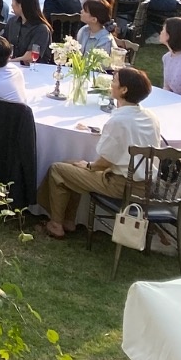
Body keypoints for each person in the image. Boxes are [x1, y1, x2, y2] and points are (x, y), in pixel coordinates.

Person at [39, 66, 159, 238]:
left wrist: (88, 165)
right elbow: (130, 138)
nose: (111, 84)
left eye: (114, 81)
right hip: (144, 184)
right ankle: (69, 221)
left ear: (124, 90)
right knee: (70, 165)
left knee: (58, 170)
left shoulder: (118, 120)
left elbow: (104, 163)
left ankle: (56, 224)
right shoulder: (150, 116)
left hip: (121, 184)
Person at [6, 0, 53, 65]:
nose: (11, 5)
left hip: (35, 68)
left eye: (13, 2)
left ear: (20, 5)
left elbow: (30, 57)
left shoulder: (41, 29)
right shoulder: (12, 22)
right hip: (13, 66)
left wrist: (8, 62)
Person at [160, 19, 181, 98]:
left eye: (163, 29)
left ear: (170, 35)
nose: (161, 32)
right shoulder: (166, 57)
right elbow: (167, 86)